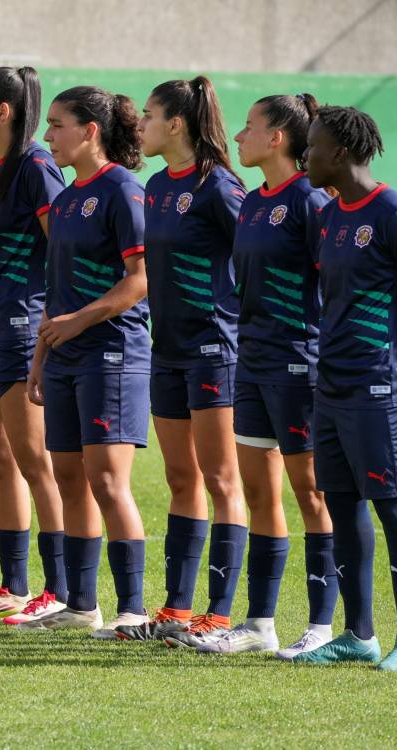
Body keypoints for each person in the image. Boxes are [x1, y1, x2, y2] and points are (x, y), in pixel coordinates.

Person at [293, 105, 397, 672]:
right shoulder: (329, 217)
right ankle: (359, 635)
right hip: (330, 386)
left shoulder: (395, 214)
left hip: (381, 387)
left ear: (344, 153)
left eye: (314, 146)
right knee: (341, 501)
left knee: (393, 504)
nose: (306, 156)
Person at [197, 93, 337, 657]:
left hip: (298, 363)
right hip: (250, 363)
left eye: (250, 128)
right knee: (259, 491)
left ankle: (323, 627)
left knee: (312, 492)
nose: (238, 138)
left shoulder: (311, 201)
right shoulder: (253, 202)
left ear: (278, 137)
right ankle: (259, 625)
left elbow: (336, 283)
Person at [116, 77, 249, 646]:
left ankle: (218, 616)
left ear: (176, 124)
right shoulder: (154, 187)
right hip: (165, 350)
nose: (139, 125)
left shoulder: (219, 186)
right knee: (179, 478)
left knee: (221, 478)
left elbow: (263, 260)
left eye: (148, 115)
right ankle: (175, 611)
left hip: (214, 350)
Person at [18, 87, 150, 638]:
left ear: (90, 130)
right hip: (66, 357)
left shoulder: (122, 189)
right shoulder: (68, 197)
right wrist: (41, 356)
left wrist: (79, 322)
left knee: (108, 482)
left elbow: (141, 280)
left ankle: (134, 610)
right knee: (69, 478)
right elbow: (56, 288)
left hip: (114, 353)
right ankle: (80, 603)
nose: (48, 137)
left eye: (56, 125)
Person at [0, 66, 70, 623]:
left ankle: (61, 589)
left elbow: (63, 252)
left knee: (34, 461)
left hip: (24, 330)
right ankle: (15, 584)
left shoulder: (37, 168)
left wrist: (47, 325)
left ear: (4, 111)